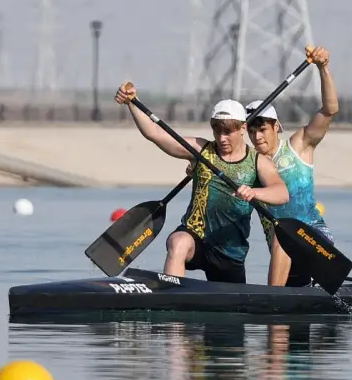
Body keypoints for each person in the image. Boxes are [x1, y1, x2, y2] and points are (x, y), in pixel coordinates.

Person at [114, 82, 289, 283]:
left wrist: (255, 193)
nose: (222, 138)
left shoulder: (257, 162)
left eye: (228, 132)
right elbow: (155, 133)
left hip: (229, 252)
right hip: (195, 237)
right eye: (217, 131)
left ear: (243, 128)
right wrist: (132, 103)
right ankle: (171, 300)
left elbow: (282, 193)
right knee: (177, 242)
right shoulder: (201, 149)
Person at [246, 45, 339, 287]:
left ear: (277, 127)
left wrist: (323, 68)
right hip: (283, 257)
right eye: (252, 131)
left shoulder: (299, 145)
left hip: (317, 241)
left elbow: (330, 110)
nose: (257, 137)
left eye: (263, 129)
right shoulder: (249, 163)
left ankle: (271, 303)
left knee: (283, 235)